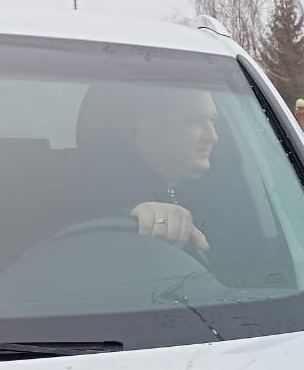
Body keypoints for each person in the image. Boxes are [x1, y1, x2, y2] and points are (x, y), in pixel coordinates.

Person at [73, 84, 219, 253]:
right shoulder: (82, 192)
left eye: (213, 121)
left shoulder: (234, 191)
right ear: (146, 127)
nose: (212, 136)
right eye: (194, 121)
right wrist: (132, 214)